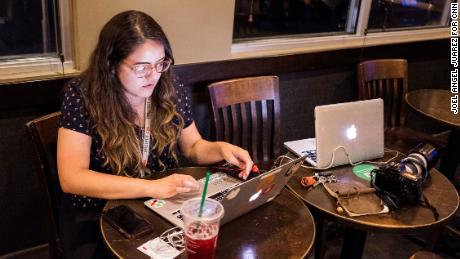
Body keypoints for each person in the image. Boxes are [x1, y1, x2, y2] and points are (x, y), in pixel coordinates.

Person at [57, 10, 253, 258]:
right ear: (112, 64)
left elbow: (193, 147)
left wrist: (221, 149)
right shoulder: (83, 95)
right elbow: (72, 177)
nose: (154, 75)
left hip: (157, 204)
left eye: (161, 63)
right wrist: (151, 187)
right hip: (98, 213)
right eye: (141, 67)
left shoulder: (169, 86)